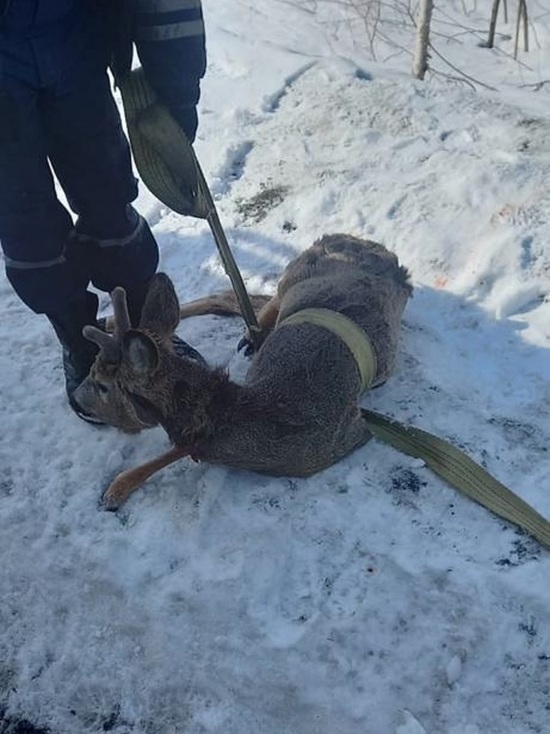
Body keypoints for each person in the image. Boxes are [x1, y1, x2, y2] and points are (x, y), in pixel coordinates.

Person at [0, 0, 207, 421]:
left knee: (109, 195)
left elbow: (169, 8)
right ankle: (82, 341)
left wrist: (176, 93)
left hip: (76, 41)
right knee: (27, 225)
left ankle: (143, 334)